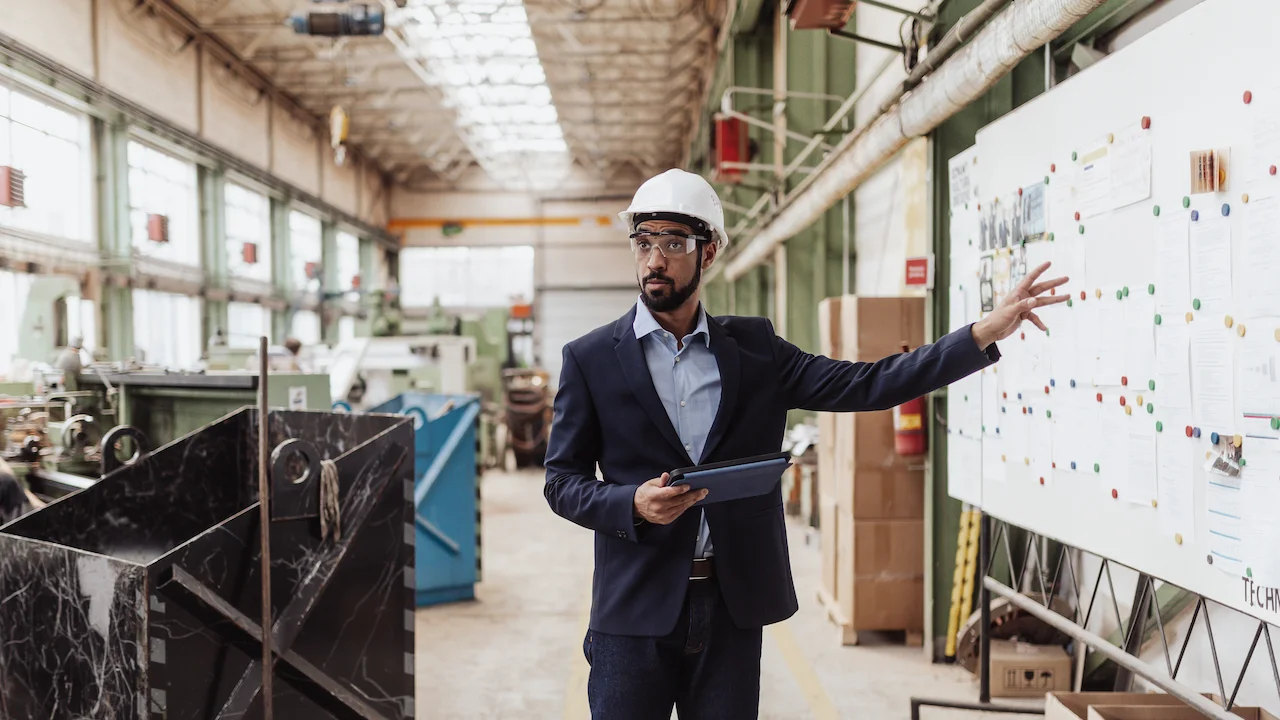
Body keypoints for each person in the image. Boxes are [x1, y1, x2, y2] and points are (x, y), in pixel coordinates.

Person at [543, 168, 1068, 719]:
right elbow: (561, 482)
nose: (655, 261)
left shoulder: (756, 350)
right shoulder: (592, 358)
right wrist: (630, 503)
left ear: (709, 252)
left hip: (731, 606)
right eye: (644, 242)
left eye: (674, 244)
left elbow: (868, 383)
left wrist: (980, 334)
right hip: (633, 612)